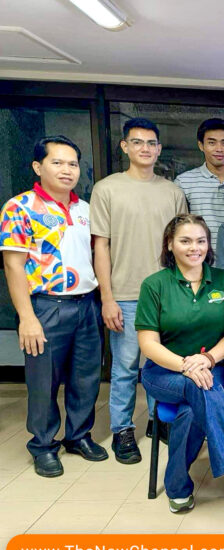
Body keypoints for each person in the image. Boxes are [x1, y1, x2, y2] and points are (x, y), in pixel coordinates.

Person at [135, 214, 224, 514]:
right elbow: (148, 344)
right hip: (164, 372)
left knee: (192, 408)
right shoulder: (154, 285)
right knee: (198, 387)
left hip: (215, 367)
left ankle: (177, 487)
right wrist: (187, 365)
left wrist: (208, 358)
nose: (194, 248)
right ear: (170, 244)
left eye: (200, 241)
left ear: (208, 245)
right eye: (185, 241)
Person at [0, 135, 107, 477]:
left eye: (73, 163)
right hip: (46, 306)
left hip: (87, 304)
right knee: (43, 380)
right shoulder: (20, 207)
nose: (67, 170)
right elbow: (13, 266)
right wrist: (26, 317)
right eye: (57, 162)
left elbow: (97, 256)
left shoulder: (86, 210)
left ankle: (78, 436)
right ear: (38, 166)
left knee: (86, 376)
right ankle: (43, 444)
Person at [91, 117, 187, 464]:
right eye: (137, 142)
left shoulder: (173, 192)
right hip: (126, 294)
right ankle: (122, 430)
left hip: (167, 294)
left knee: (164, 365)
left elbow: (184, 244)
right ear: (125, 146)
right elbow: (100, 246)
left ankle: (158, 422)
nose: (145, 148)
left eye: (151, 143)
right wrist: (107, 298)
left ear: (158, 149)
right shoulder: (107, 189)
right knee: (126, 367)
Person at [174, 118, 224, 246]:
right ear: (201, 145)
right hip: (198, 256)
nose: (219, 149)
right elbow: (177, 229)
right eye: (212, 143)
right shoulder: (184, 182)